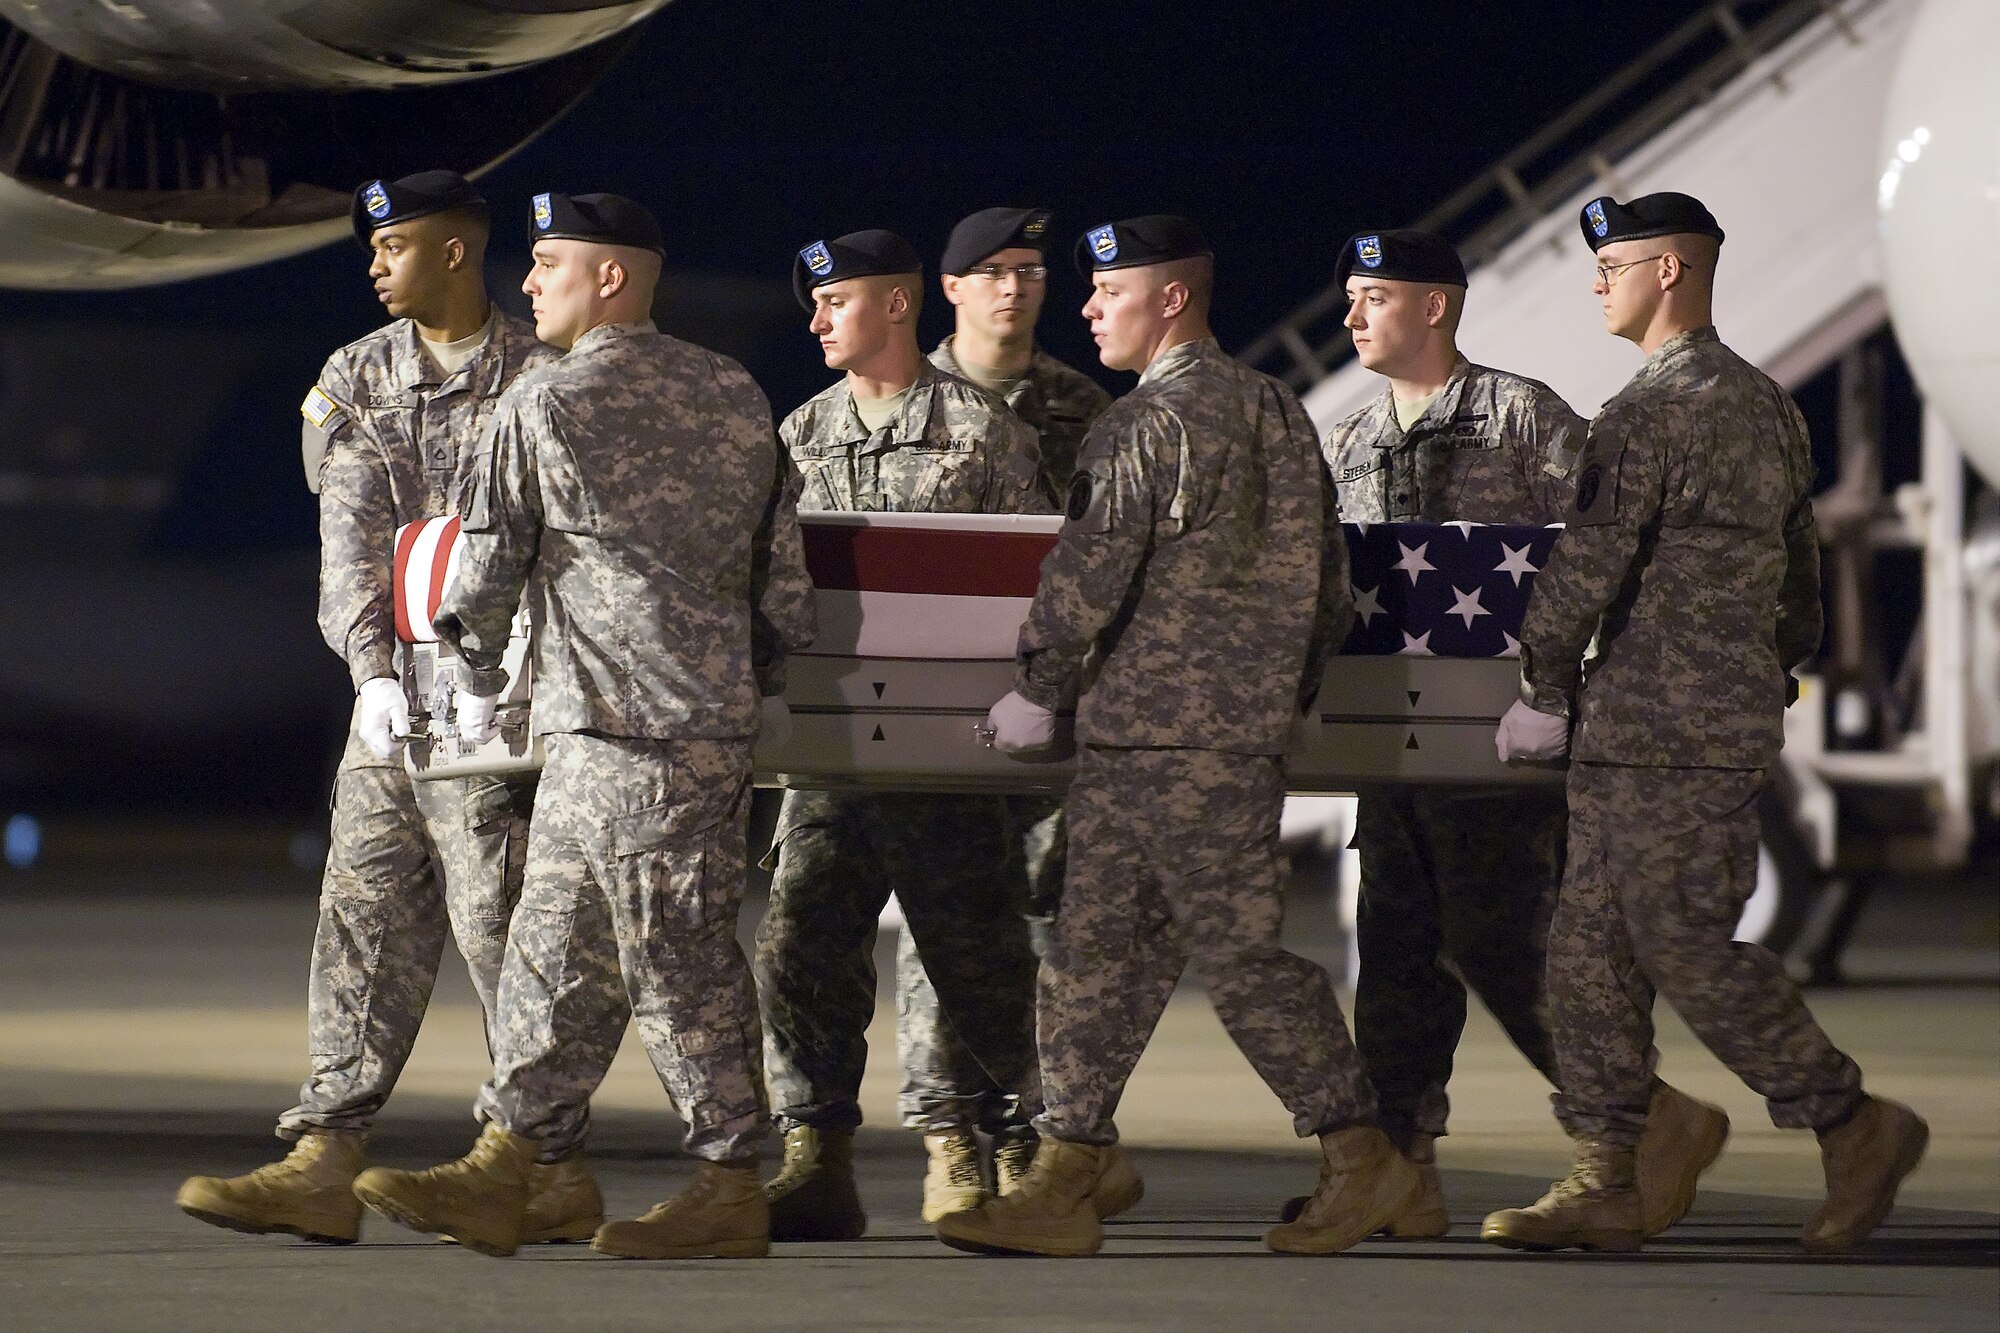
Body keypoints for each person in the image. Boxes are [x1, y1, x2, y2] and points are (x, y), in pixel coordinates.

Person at [347, 191, 816, 1260]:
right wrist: (771, 677)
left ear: (609, 278)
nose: (526, 282)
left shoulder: (544, 400)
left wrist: (466, 670)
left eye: (548, 263)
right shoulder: (732, 390)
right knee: (553, 950)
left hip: (618, 721)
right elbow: (780, 569)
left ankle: (730, 1176)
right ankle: (510, 1161)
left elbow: (487, 559)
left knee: (672, 955)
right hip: (684, 724)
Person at [938, 215, 1413, 1258]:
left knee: (1236, 957)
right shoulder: (1276, 410)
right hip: (1220, 737)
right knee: (1095, 954)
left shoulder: (1138, 424)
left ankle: (1357, 1152)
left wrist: (1037, 685)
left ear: (1169, 300)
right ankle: (1065, 1168)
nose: (1086, 308)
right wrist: (1271, 694)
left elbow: (1086, 577)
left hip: (1155, 735)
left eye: (1107, 291)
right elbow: (1331, 586)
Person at [1483, 192, 1927, 1254]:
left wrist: (1540, 681)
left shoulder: (1648, 412)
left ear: (1667, 273)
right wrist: (1765, 669)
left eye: (1613, 266)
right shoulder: (1769, 407)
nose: (1597, 284)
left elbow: (1585, 561)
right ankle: (1608, 1169)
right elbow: (1796, 575)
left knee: (1677, 941)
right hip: (1680, 721)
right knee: (1583, 954)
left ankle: (1849, 1120)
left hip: (1657, 727)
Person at [174, 171, 602, 1246]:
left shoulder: (545, 374)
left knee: (505, 927)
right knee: (362, 915)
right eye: (372, 245)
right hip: (397, 704)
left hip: (506, 706)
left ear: (455, 252)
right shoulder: (358, 375)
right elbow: (351, 547)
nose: (373, 261)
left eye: (395, 243)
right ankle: (325, 1153)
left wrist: (519, 679)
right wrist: (371, 673)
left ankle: (544, 1165)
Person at [1306, 227, 1728, 1239]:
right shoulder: (1350, 437)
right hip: (1390, 744)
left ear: (1433, 306)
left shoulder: (1519, 417)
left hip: (1499, 742)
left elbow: (1604, 549)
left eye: (1373, 296)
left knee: (1503, 945)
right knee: (1396, 951)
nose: (1352, 316)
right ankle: (1404, 1170)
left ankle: (1632, 1128)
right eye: (1350, 297)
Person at [754, 228, 1052, 1235]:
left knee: (977, 959)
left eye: (833, 301)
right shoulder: (797, 436)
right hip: (830, 757)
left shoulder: (983, 435)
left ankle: (1012, 1152)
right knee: (798, 946)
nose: (815, 320)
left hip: (946, 757)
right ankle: (815, 1155)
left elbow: (1034, 594)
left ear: (893, 303)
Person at [894, 206, 1116, 1208]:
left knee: (1045, 922)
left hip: (1052, 709)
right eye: (990, 272)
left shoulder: (1089, 408)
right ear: (950, 288)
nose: (1013, 288)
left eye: (1028, 271)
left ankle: (1030, 1129)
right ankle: (948, 1134)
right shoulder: (896, 396)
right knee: (936, 922)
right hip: (928, 710)